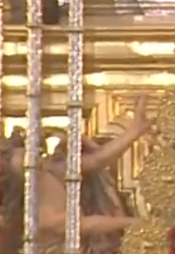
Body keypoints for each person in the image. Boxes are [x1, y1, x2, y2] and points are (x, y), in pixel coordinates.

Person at [0, 97, 152, 254]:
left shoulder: (52, 170)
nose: (33, 158)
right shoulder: (44, 216)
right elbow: (91, 225)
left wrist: (135, 131)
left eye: (25, 153)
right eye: (26, 164)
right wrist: (134, 222)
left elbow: (99, 160)